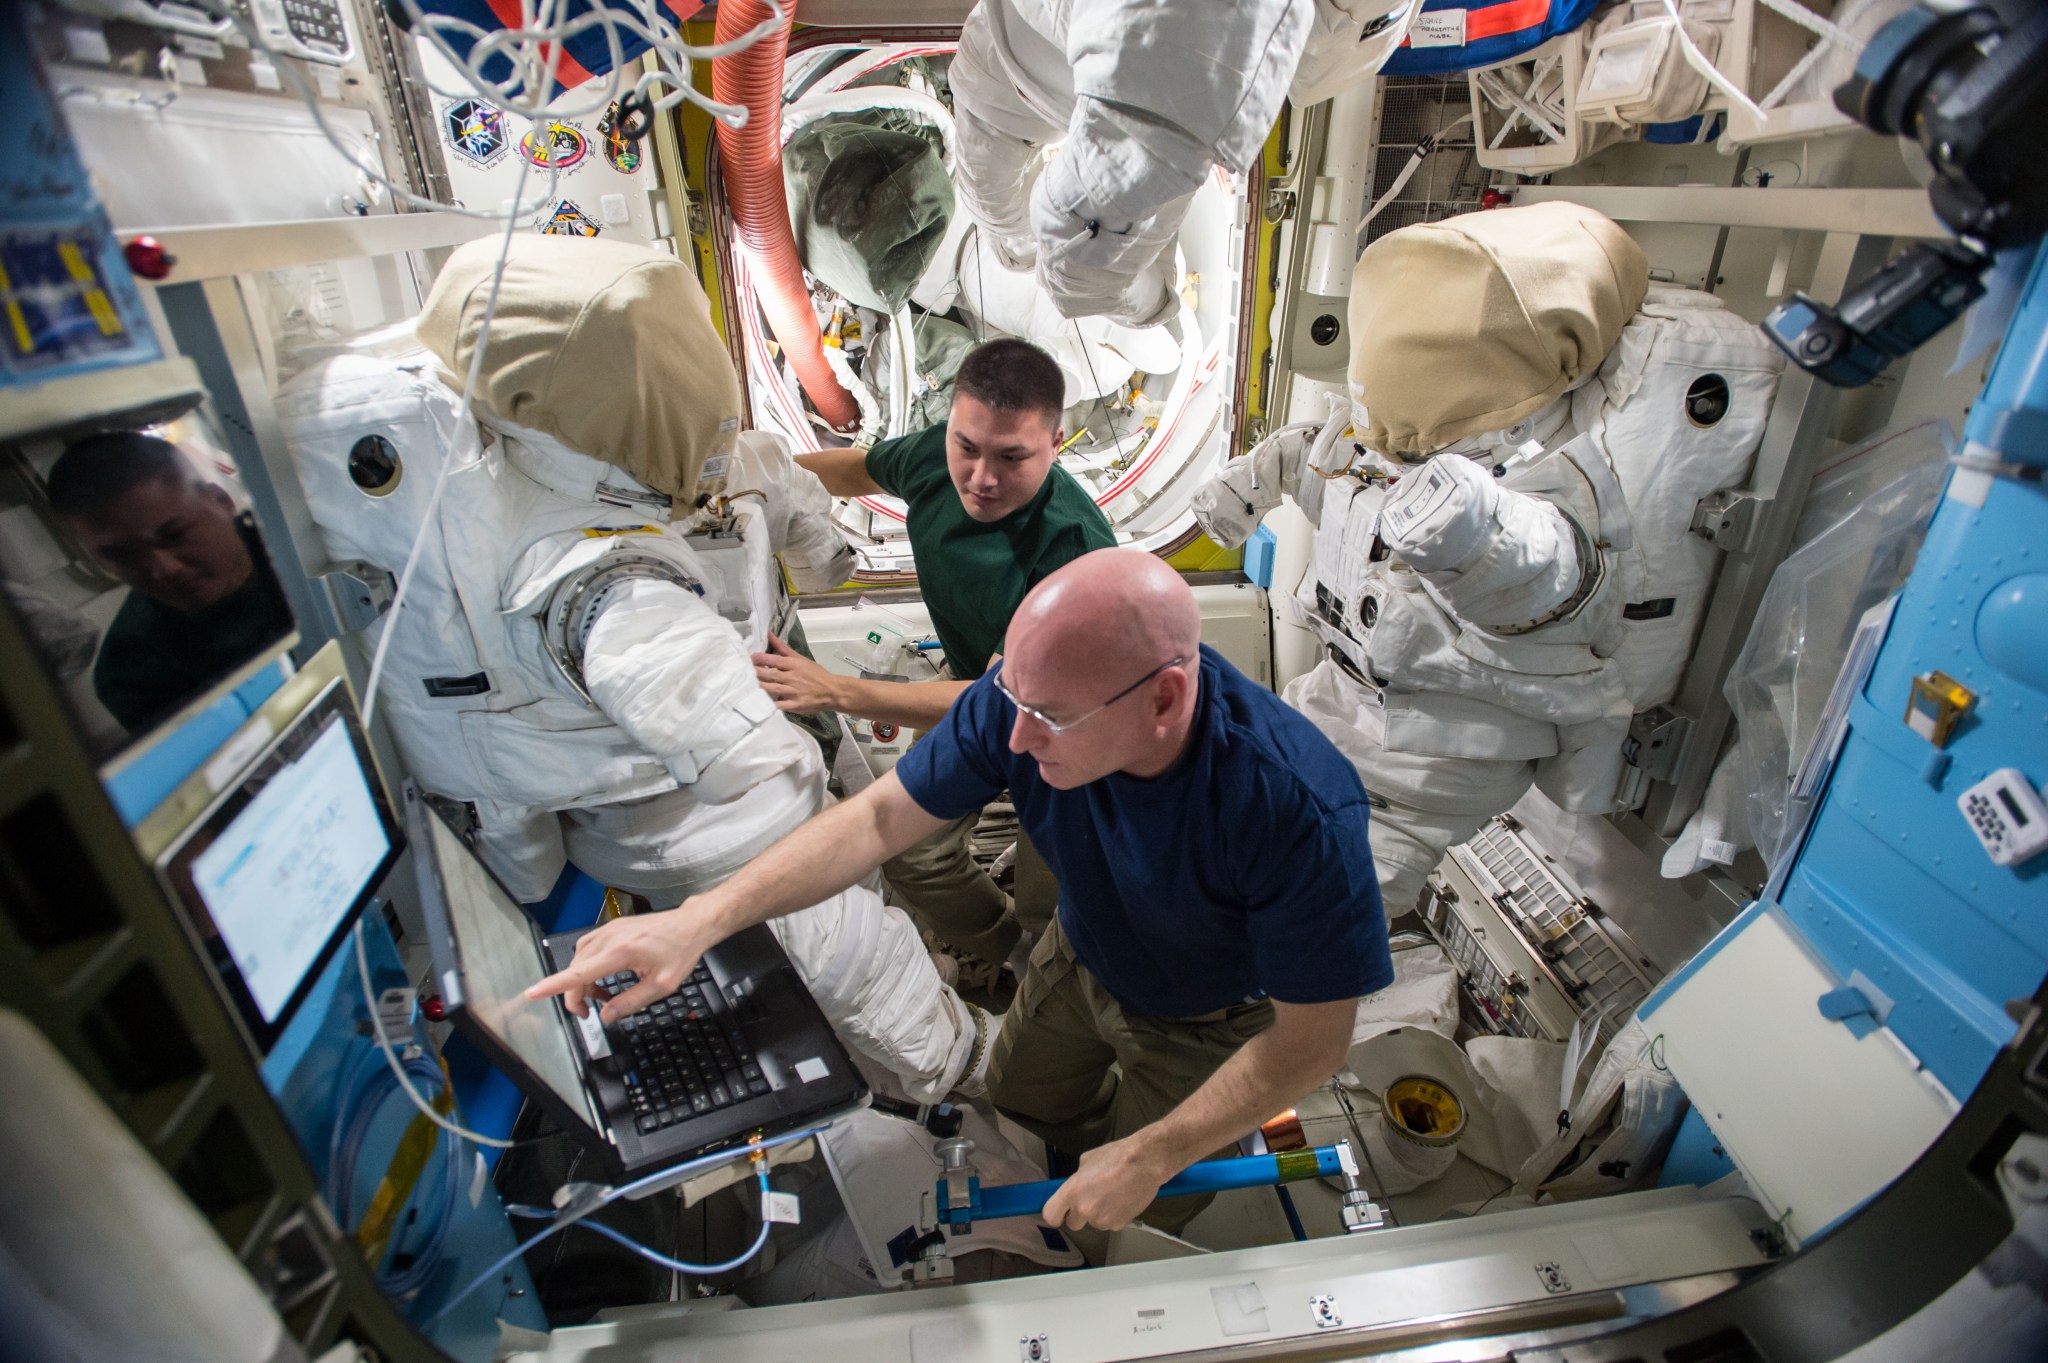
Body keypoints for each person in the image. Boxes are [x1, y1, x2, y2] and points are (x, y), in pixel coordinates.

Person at [275, 234, 991, 1104]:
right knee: (856, 958)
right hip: (710, 822)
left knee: (852, 893)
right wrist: (792, 760)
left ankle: (933, 1003)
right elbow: (747, 749)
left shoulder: (477, 477)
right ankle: (967, 1076)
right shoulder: (595, 581)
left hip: (592, 806)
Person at [537, 548, 1393, 1234]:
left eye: (1048, 717)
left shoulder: (1296, 809)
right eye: (1010, 698)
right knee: (1021, 1094)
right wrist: (700, 917)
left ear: (1165, 699)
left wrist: (1154, 1153)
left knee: (1133, 1208)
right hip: (1082, 952)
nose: (1014, 737)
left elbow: (1312, 1044)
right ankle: (1091, 1139)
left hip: (1213, 1019)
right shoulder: (1021, 702)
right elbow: (877, 821)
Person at [1190, 201, 1783, 908]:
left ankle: (1265, 967)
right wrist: (1241, 492)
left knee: (1324, 896)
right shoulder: (1392, 444)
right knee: (1227, 810)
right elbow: (1319, 465)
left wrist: (1469, 534)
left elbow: (1554, 584)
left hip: (1432, 765)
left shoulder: (1538, 486)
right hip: (1334, 699)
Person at [754, 336, 1115, 980]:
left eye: (1013, 457)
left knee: (1053, 904)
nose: (981, 478)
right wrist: (747, 479)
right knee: (914, 858)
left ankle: (1046, 961)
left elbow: (997, 701)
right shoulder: (932, 455)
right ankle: (1009, 957)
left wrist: (834, 691)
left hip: (1067, 734)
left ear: (1056, 445)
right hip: (979, 689)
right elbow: (846, 471)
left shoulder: (1076, 552)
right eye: (967, 447)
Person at [47, 432, 293, 732]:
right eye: (122, 555)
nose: (165, 569)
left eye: (174, 535)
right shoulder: (133, 669)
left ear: (221, 501)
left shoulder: (304, 546)